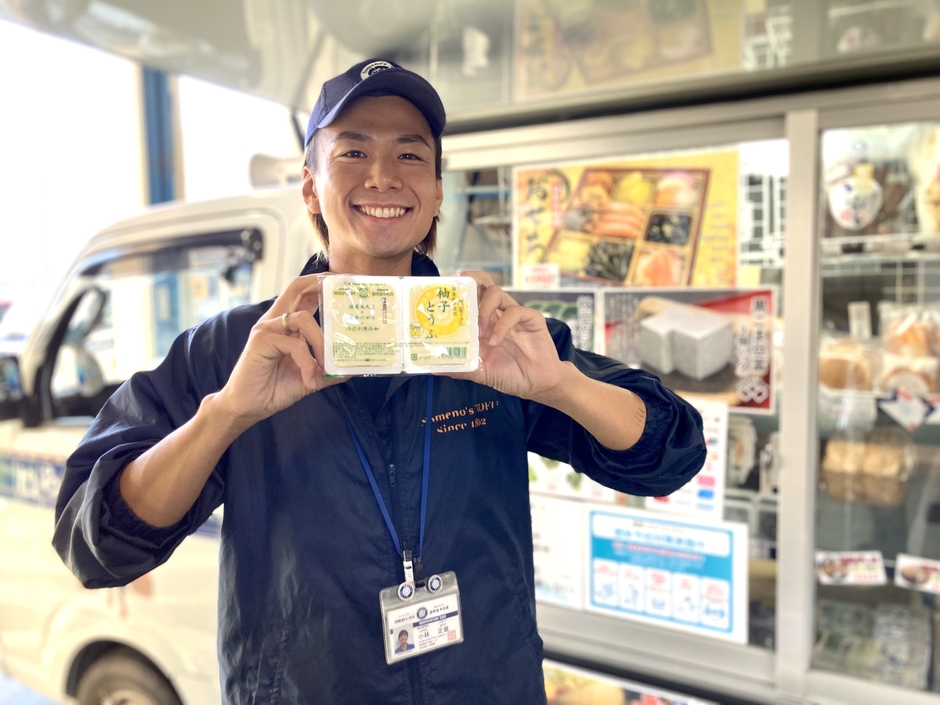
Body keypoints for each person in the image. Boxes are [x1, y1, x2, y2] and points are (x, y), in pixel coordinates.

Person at [54, 58, 706, 705]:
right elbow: (98, 539)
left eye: (410, 155)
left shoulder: (491, 333)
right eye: (353, 151)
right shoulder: (235, 350)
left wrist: (559, 386)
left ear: (439, 191)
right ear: (310, 187)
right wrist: (224, 415)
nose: (383, 176)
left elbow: (670, 451)